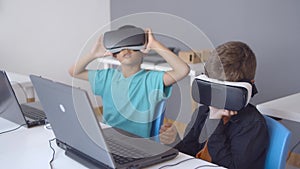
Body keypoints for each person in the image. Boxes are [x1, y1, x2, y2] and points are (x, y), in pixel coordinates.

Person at [159, 41, 269, 169]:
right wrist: (173, 139)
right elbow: (187, 152)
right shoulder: (203, 112)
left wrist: (214, 120)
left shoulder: (252, 125)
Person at [69, 26, 190, 138]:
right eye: (121, 48)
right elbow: (74, 72)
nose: (126, 50)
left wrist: (154, 44)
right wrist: (93, 54)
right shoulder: (107, 77)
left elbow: (182, 70)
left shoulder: (151, 79)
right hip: (108, 137)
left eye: (132, 47)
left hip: (136, 142)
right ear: (115, 55)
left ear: (142, 51)